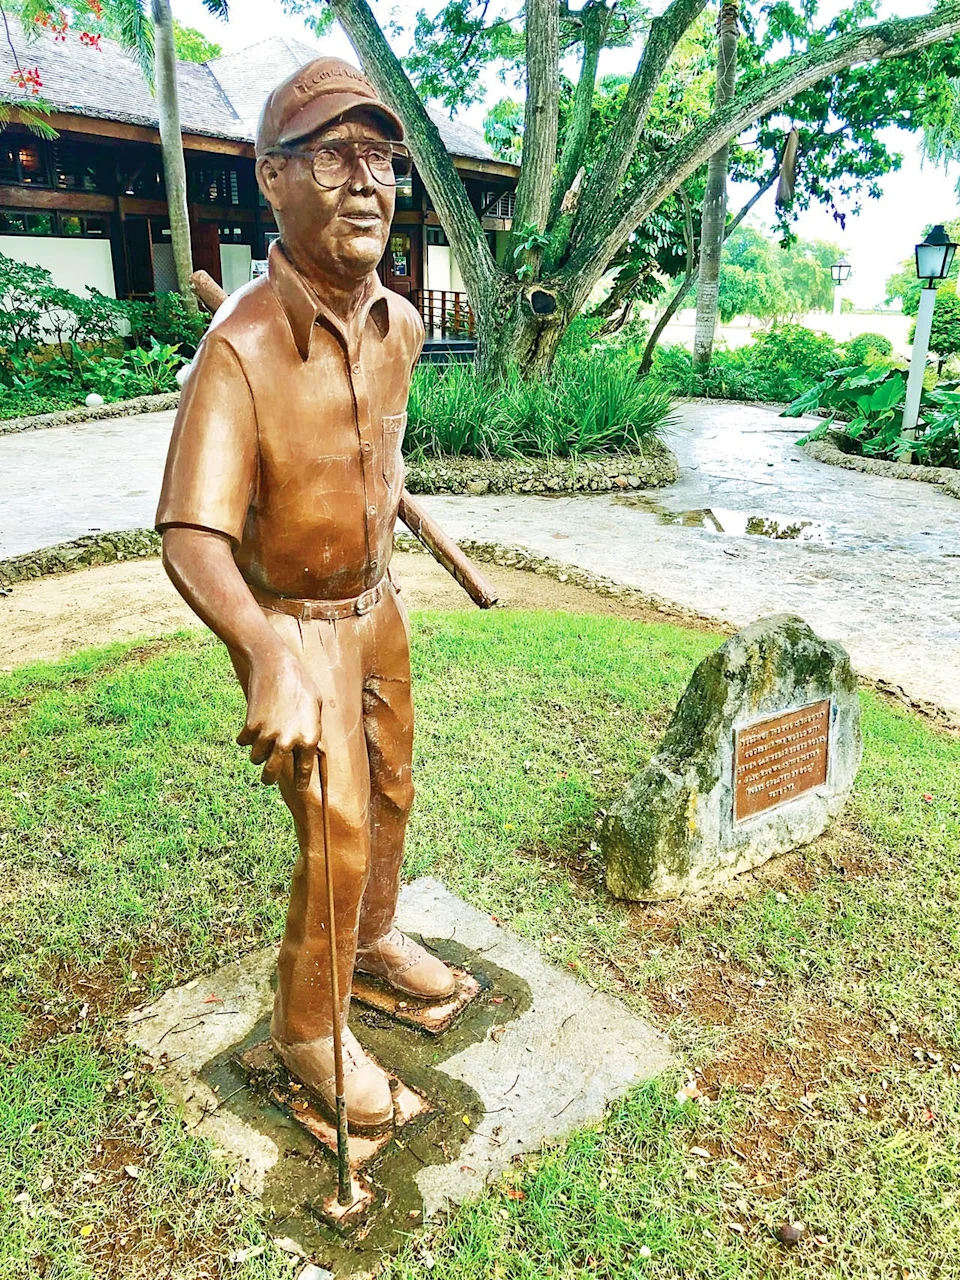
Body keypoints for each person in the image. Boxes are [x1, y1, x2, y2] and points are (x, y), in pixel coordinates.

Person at [156, 57, 456, 1133]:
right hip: (289, 620)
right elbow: (191, 530)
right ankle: (307, 1025)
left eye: (380, 158)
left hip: (376, 606)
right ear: (273, 179)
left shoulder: (403, 326)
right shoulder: (234, 350)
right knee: (332, 827)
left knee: (392, 791)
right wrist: (264, 648)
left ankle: (372, 941)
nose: (367, 182)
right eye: (335, 155)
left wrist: (395, 499)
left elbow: (369, 444)